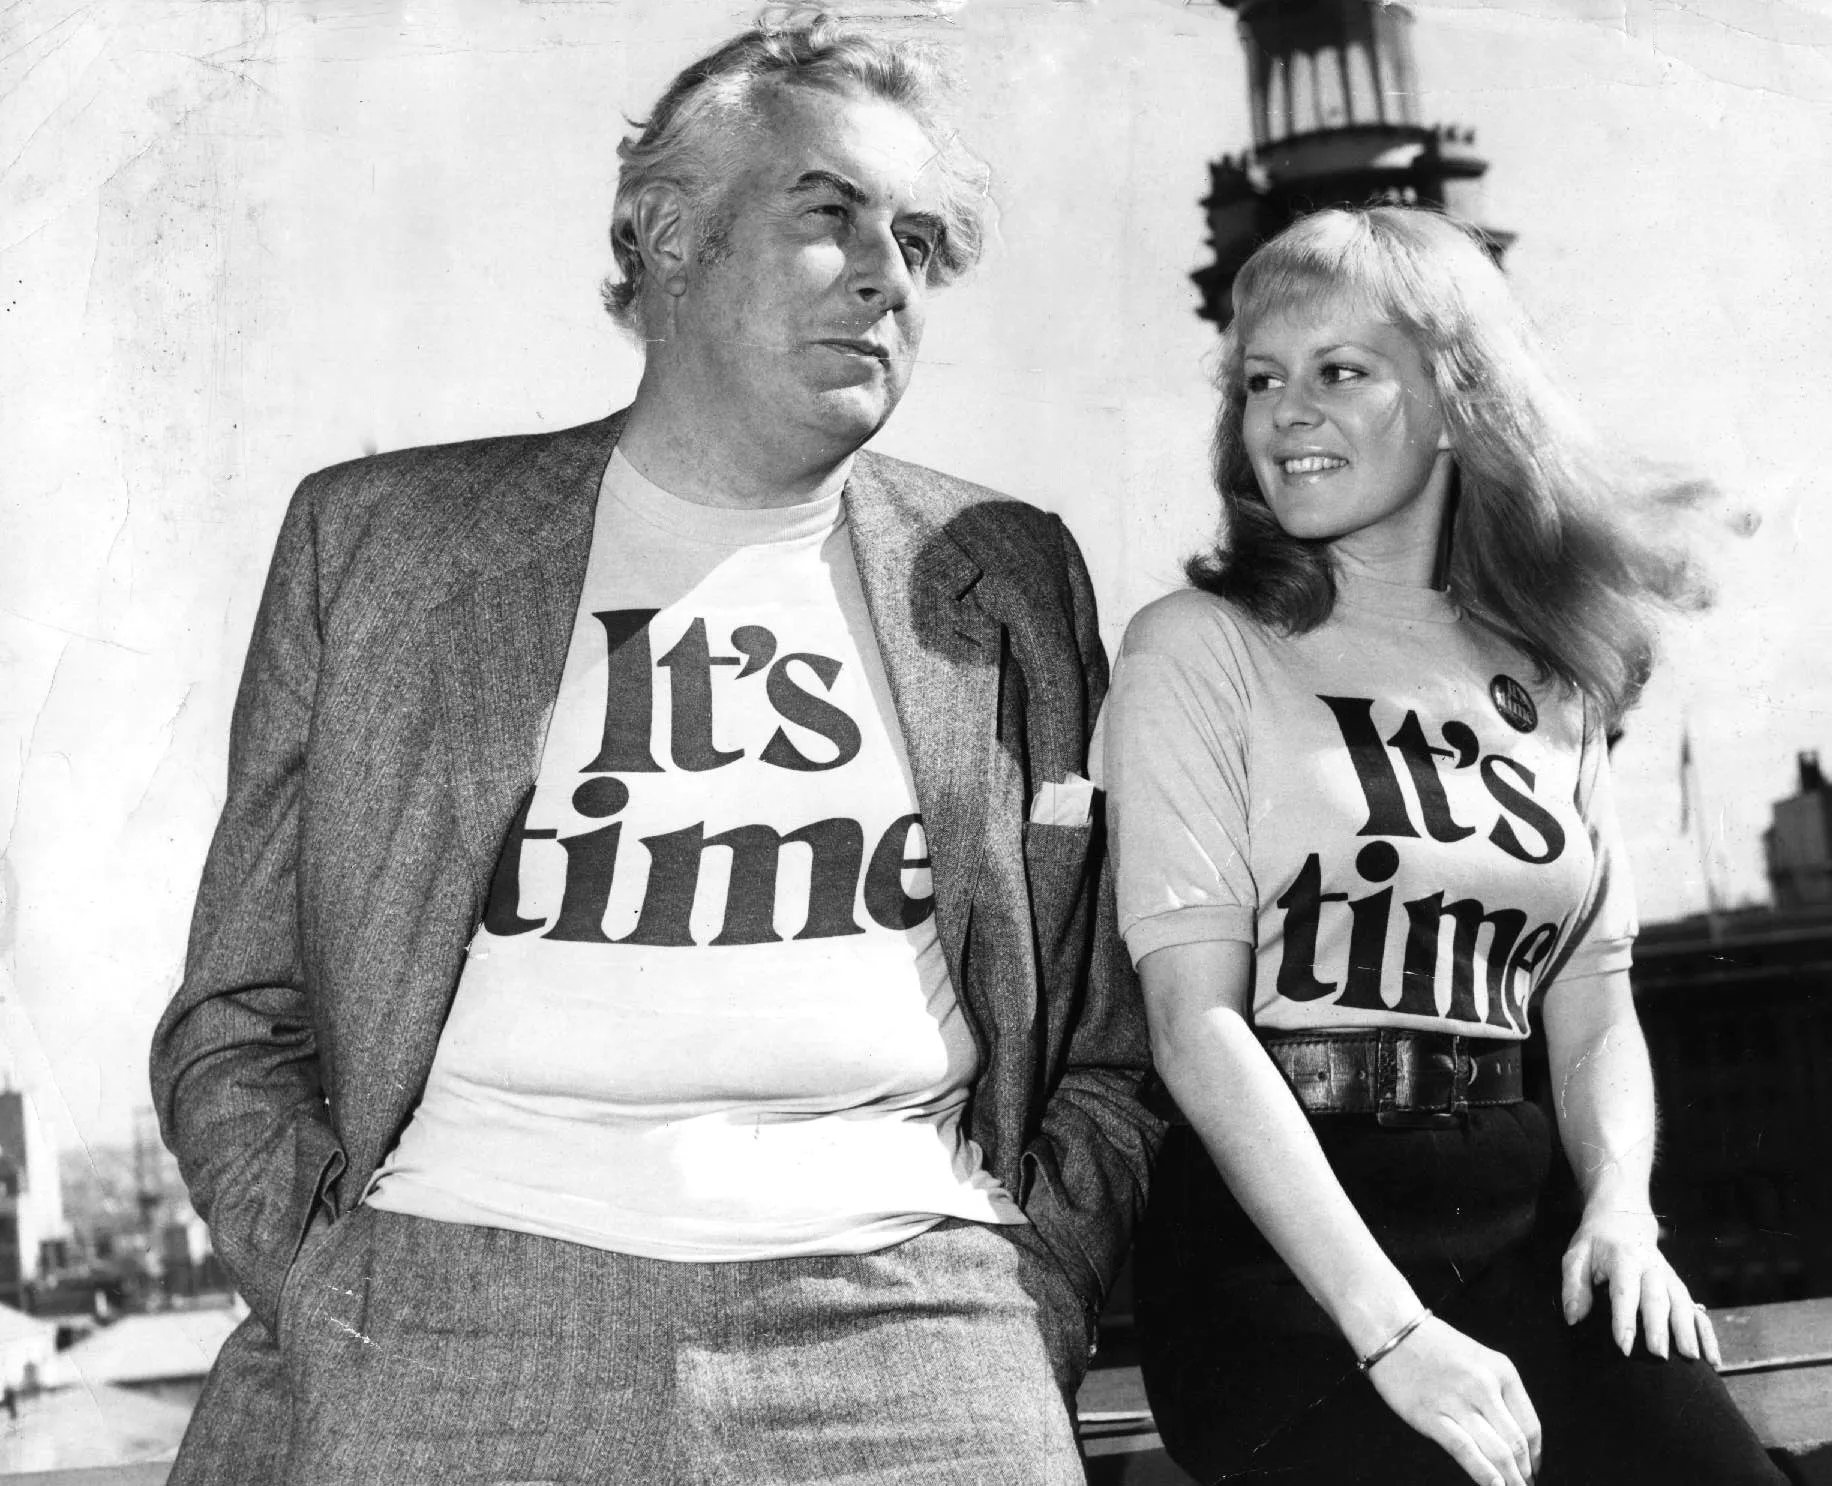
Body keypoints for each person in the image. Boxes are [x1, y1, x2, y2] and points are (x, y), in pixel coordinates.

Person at [150, 15, 1159, 1484]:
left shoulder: (1004, 571)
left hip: (914, 1317)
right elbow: (235, 1010)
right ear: (667, 233)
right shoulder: (380, 547)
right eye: (831, 217)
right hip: (448, 1310)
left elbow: (1097, 1041)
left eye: (921, 245)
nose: (889, 277)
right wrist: (323, 1288)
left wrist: (1035, 1288)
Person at [1097, 206, 1782, 1486]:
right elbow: (1194, 1027)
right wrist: (1394, 1333)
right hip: (1288, 1247)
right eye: (1259, 380)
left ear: (1459, 402)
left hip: (1532, 1213)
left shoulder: (1557, 674)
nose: (1283, 412)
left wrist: (1623, 1207)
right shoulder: (1197, 645)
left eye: (1337, 372)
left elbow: (1591, 1007)